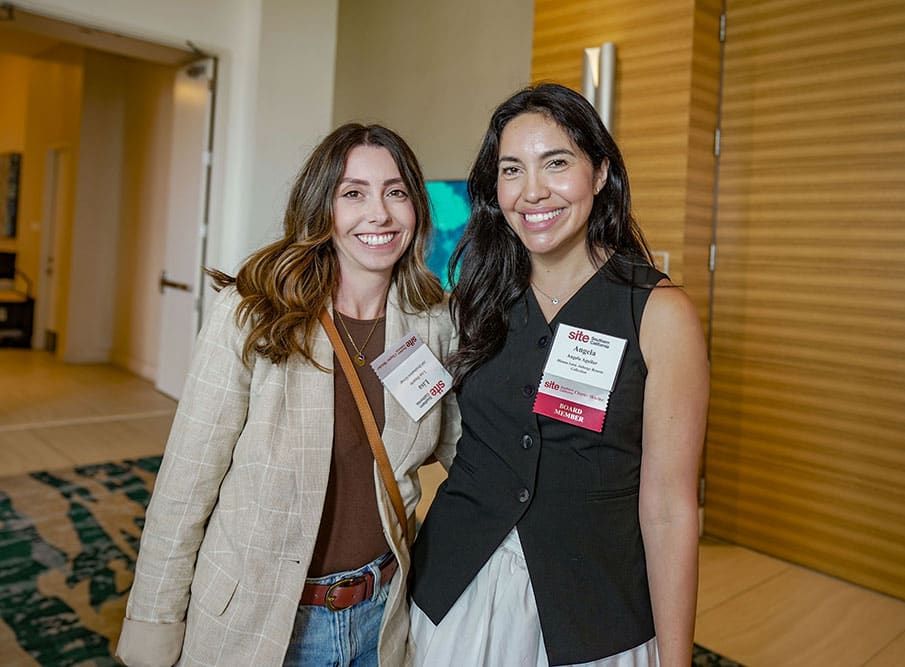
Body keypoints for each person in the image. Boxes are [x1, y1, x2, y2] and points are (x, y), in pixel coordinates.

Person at [116, 123, 460, 667]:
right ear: (321, 208)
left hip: (382, 616)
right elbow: (186, 484)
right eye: (353, 194)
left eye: (395, 192)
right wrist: (155, 622)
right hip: (261, 620)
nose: (379, 214)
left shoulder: (433, 323)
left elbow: (469, 451)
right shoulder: (253, 314)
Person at [409, 83, 709, 667]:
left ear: (600, 173)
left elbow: (670, 508)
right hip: (453, 593)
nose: (533, 191)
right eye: (512, 170)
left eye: (556, 163)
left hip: (593, 609)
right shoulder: (475, 300)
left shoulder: (658, 314)